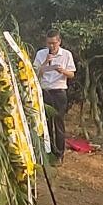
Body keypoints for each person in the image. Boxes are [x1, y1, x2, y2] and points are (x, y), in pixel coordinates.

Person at [32, 31, 75, 164]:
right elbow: (35, 72)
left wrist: (62, 70)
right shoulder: (41, 54)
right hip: (45, 91)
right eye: (49, 43)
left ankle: (59, 154)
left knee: (58, 123)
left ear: (59, 42)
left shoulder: (66, 54)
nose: (51, 46)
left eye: (54, 43)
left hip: (59, 91)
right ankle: (48, 153)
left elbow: (72, 74)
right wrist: (46, 62)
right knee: (46, 123)